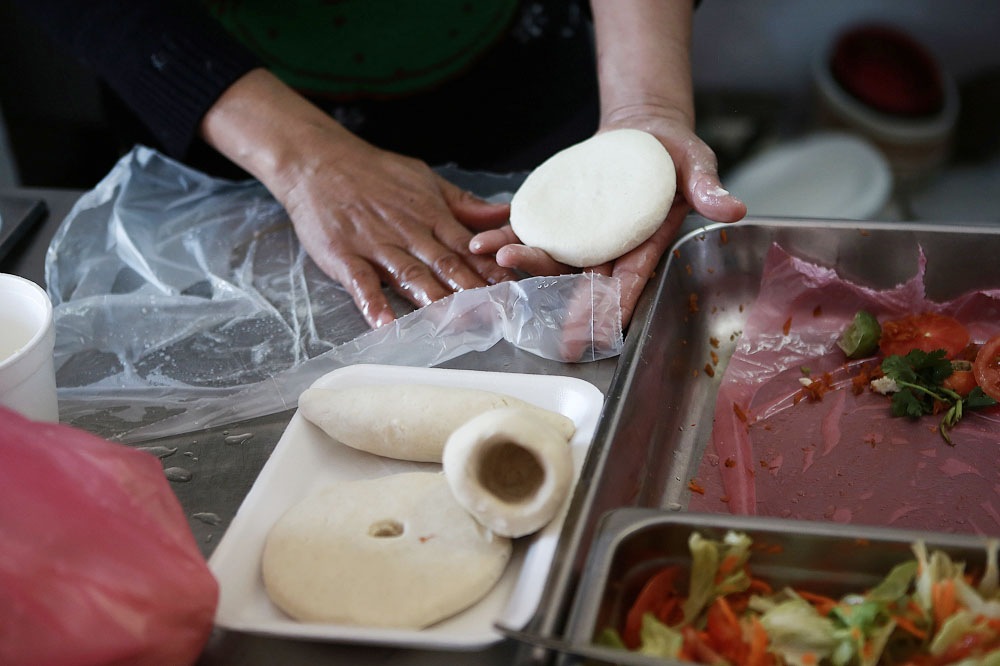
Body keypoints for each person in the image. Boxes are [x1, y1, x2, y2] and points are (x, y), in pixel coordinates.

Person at [16, 0, 745, 329]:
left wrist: (642, 107)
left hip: (531, 87)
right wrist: (301, 157)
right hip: (232, 110)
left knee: (526, 297)